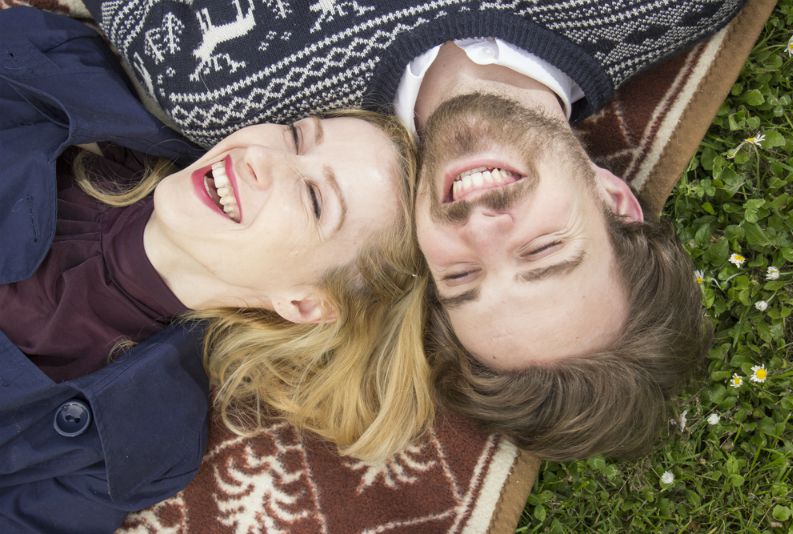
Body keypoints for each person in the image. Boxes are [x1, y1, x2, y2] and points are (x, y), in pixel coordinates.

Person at [85, 0, 741, 457]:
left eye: (462, 275)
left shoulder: (222, 85)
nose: (483, 226)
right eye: (543, 249)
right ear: (613, 199)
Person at [0, 8, 431, 532]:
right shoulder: (72, 78)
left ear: (304, 303)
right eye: (296, 136)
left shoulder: (140, 440)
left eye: (316, 200)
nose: (262, 158)